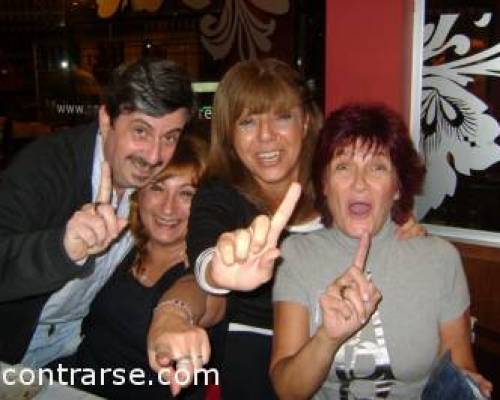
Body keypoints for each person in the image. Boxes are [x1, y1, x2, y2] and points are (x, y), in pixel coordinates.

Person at [147, 59, 425, 399]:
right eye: (247, 122)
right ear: (229, 134)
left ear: (305, 121)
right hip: (258, 348)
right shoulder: (221, 195)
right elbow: (204, 263)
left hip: (355, 338)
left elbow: (382, 214)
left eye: (282, 117)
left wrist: (403, 233)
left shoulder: (336, 182)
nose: (266, 136)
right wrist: (216, 273)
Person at [270, 103, 493, 399]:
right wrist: (327, 338)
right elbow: (287, 390)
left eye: (377, 167)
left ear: (397, 187)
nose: (359, 184)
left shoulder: (439, 259)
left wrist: (469, 385)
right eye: (343, 167)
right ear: (324, 184)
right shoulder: (297, 255)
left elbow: (459, 366)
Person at [0, 57, 194, 367]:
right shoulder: (47, 166)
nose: (154, 155)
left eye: (170, 136)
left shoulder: (155, 181)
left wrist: (200, 244)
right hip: (13, 348)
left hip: (78, 350)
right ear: (106, 120)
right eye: (141, 131)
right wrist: (62, 249)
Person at [49, 135, 208, 399]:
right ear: (139, 194)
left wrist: (173, 315)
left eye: (186, 194)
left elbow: (202, 294)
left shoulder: (209, 267)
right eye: (157, 188)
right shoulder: (120, 247)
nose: (168, 208)